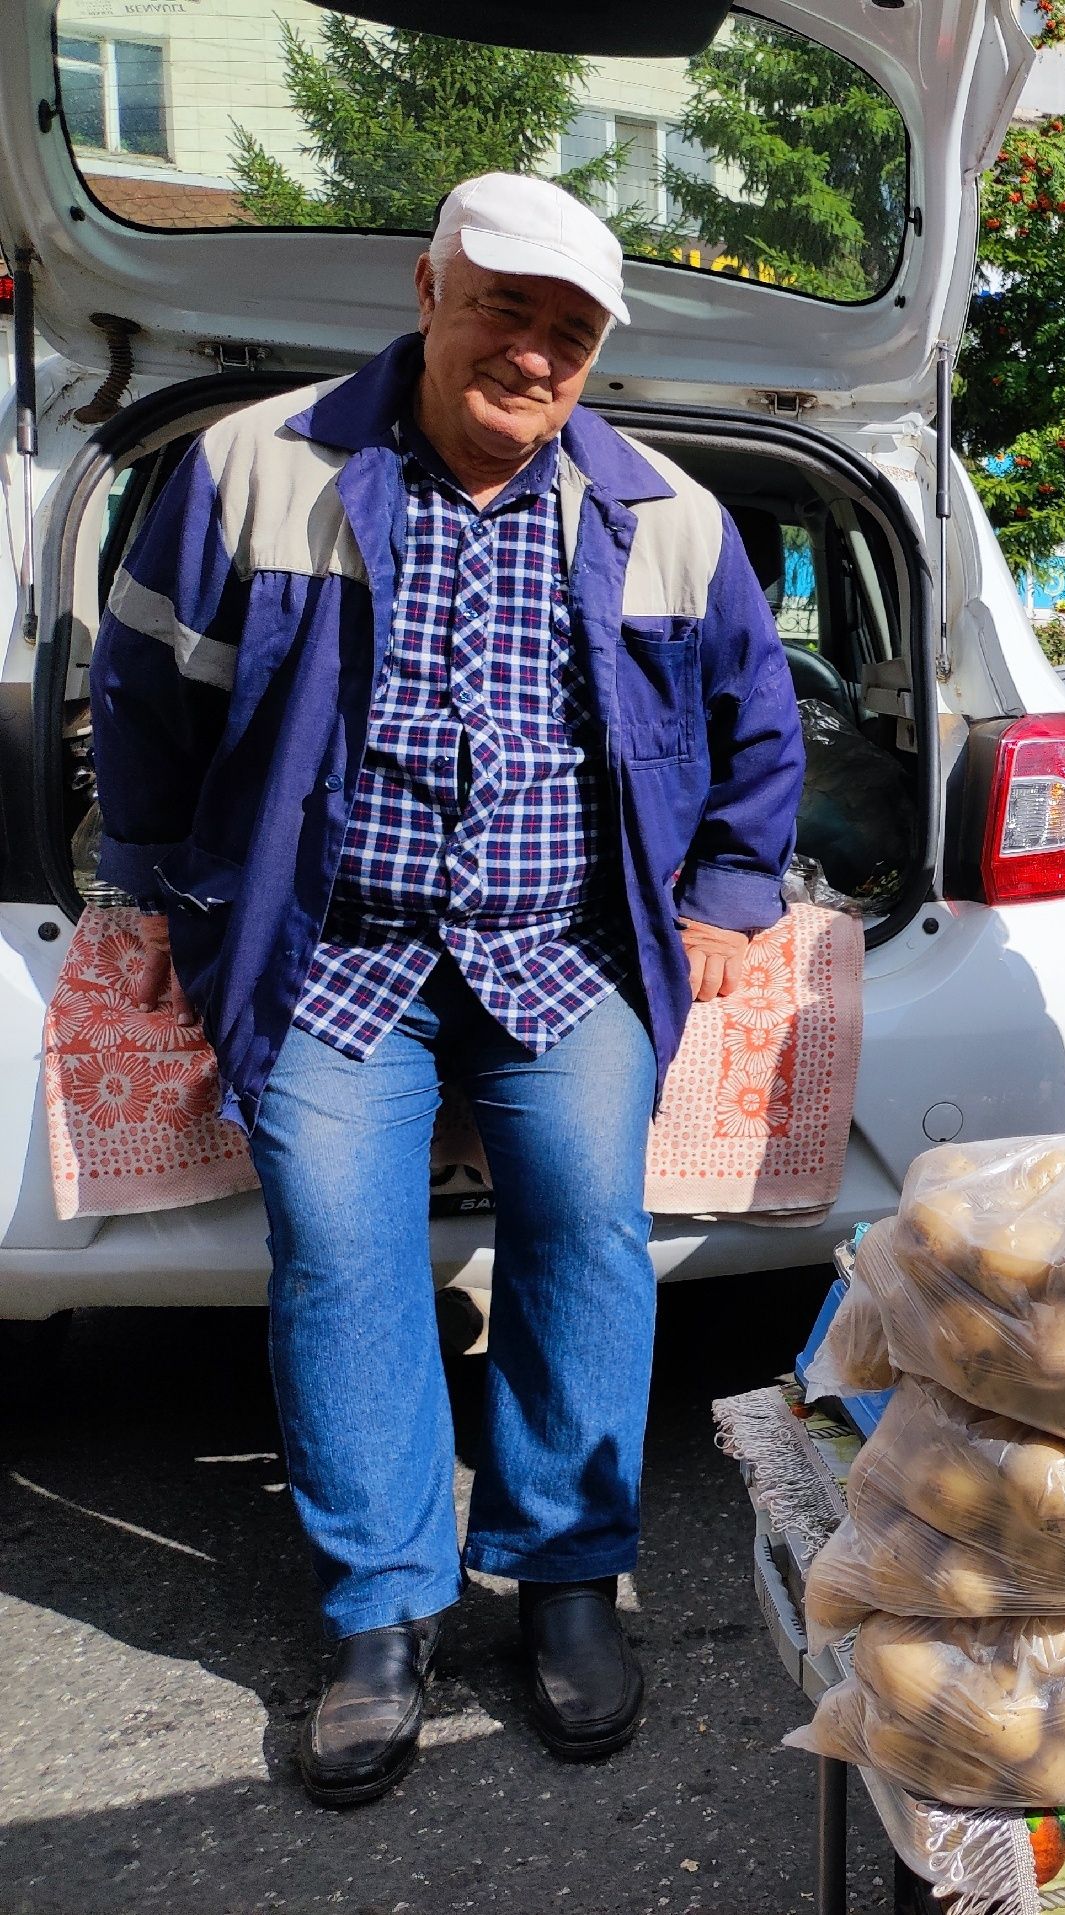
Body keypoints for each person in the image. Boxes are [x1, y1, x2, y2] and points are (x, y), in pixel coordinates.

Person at [87, 174, 805, 1805]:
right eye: (506, 308)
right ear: (430, 290)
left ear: (598, 349)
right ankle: (385, 1612)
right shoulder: (254, 472)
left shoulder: (668, 515)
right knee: (340, 1252)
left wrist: (724, 895)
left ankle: (566, 1576)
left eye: (570, 330)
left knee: (587, 1229)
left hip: (564, 952)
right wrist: (151, 884)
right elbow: (147, 687)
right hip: (332, 948)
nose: (533, 353)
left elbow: (758, 721)